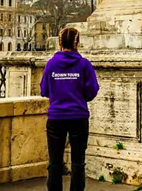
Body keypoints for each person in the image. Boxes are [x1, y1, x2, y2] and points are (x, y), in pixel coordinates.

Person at [40, 27, 99, 191]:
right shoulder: (84, 65)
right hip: (78, 116)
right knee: (78, 162)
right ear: (77, 43)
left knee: (55, 162)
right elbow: (92, 91)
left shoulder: (51, 64)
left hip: (56, 117)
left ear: (59, 43)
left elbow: (44, 90)